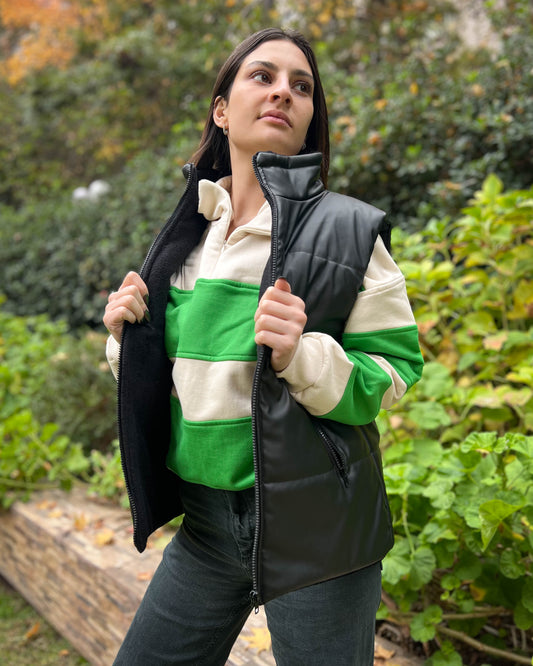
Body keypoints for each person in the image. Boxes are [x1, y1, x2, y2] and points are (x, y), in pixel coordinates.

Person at [103, 27, 423, 666]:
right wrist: (127, 342)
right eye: (262, 76)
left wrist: (300, 355)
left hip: (320, 534)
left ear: (307, 124)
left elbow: (394, 370)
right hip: (206, 530)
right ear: (222, 111)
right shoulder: (186, 235)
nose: (283, 92)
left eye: (301, 87)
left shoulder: (348, 231)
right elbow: (183, 376)